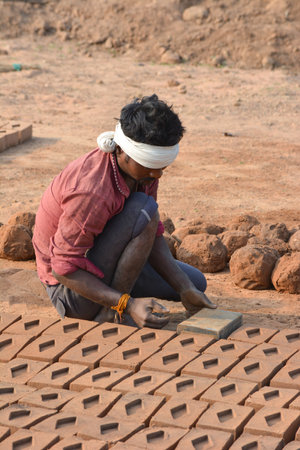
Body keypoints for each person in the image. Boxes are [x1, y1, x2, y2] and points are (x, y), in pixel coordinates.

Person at [33, 94, 216, 329]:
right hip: (70, 292)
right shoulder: (91, 191)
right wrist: (125, 304)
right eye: (151, 166)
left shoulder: (143, 171)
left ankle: (122, 298)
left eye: (162, 168)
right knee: (144, 210)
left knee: (195, 282)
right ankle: (111, 312)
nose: (158, 175)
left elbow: (152, 232)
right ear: (121, 151)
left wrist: (184, 289)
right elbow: (63, 270)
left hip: (104, 261)